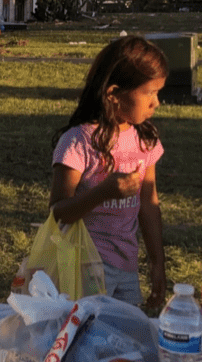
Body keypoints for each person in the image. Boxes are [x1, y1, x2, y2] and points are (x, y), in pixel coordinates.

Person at [50, 36, 168, 310]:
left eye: (158, 92)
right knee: (87, 338)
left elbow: (149, 206)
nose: (157, 102)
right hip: (84, 267)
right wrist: (102, 193)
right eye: (149, 92)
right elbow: (58, 212)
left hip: (126, 267)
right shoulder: (78, 141)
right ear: (114, 94)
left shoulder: (145, 141)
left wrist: (157, 263)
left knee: (124, 339)